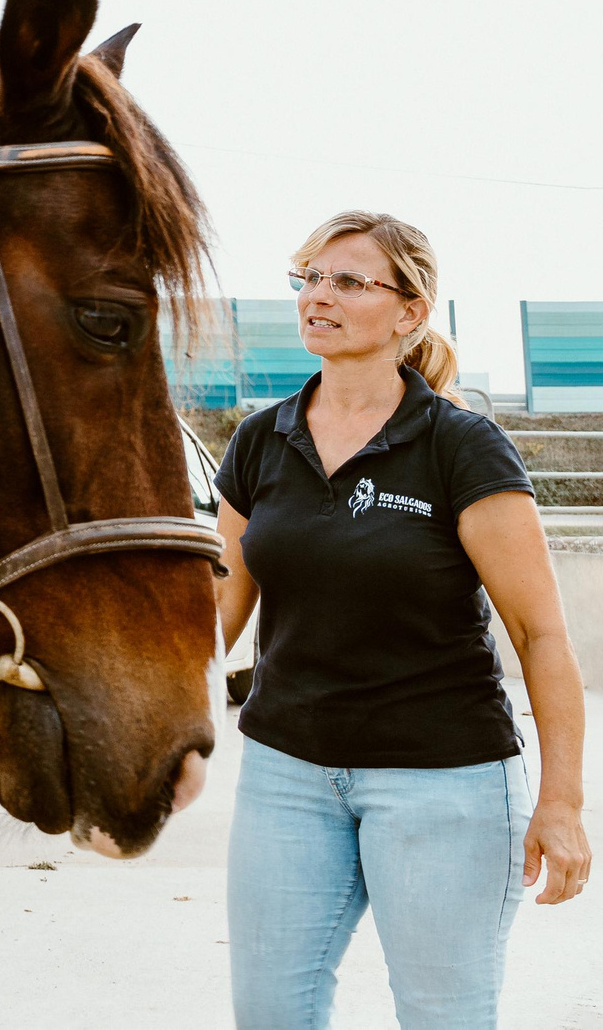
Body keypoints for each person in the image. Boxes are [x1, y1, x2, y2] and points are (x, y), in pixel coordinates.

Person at [216, 211, 588, 1028]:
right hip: (286, 775)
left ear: (411, 312)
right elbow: (216, 621)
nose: (319, 295)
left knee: (442, 1016)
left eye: (348, 280)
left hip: (440, 780)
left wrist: (560, 801)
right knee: (271, 1011)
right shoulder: (257, 442)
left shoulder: (462, 447)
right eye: (309, 277)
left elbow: (540, 634)